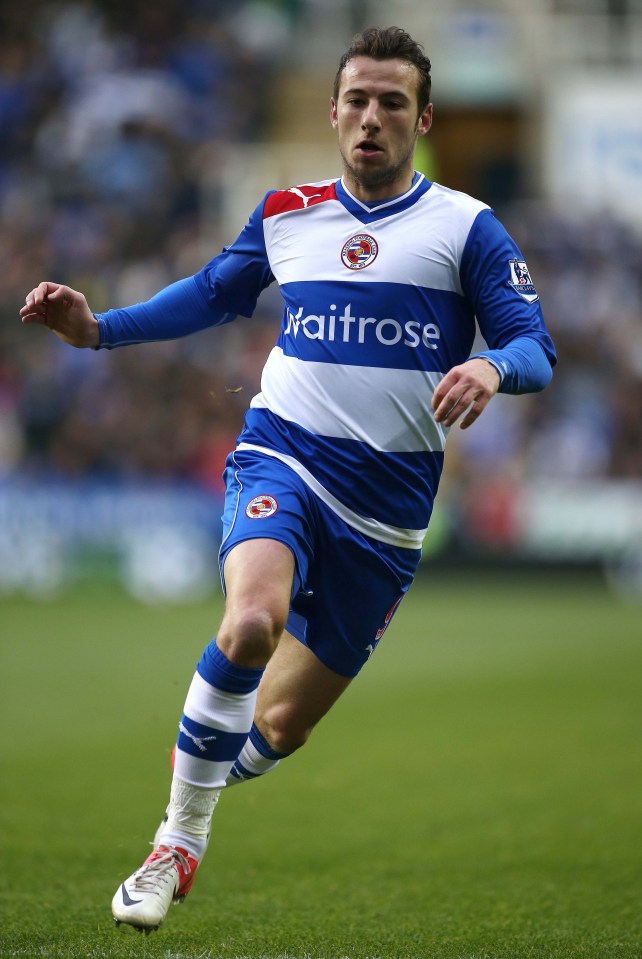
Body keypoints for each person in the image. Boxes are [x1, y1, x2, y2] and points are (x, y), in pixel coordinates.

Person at [20, 26, 556, 933]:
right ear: (334, 112)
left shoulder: (466, 226)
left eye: (393, 103)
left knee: (279, 730)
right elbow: (207, 294)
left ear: (421, 118)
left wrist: (493, 368)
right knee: (252, 619)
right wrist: (96, 328)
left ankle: (212, 751)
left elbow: (534, 344)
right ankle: (175, 843)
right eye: (357, 100)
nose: (372, 118)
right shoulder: (287, 212)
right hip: (284, 454)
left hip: (386, 518)